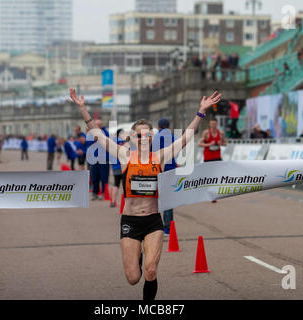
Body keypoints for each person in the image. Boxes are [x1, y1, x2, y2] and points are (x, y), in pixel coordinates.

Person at [69, 87, 222, 301]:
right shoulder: (124, 155)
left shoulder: (159, 157)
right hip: (130, 221)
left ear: (151, 137)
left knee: (151, 271)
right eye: (138, 134)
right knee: (133, 277)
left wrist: (201, 112)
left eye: (146, 135)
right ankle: (138, 257)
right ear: (133, 137)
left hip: (152, 221)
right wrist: (83, 109)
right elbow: (96, 134)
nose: (142, 138)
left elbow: (186, 138)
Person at [152, 118, 178, 235]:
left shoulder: (156, 136)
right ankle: (167, 228)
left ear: (159, 126)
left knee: (153, 198)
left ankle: (153, 225)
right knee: (168, 199)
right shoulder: (173, 136)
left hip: (157, 168)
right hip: (170, 168)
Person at [87, 120, 110, 200]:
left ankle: (104, 193)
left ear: (100, 125)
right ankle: (95, 193)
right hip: (94, 158)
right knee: (94, 176)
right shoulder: (91, 133)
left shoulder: (105, 132)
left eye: (97, 125)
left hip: (104, 159)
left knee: (104, 177)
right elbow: (89, 144)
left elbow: (106, 142)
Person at [110, 129, 126, 208]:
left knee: (116, 184)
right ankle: (125, 202)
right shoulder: (124, 141)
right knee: (125, 185)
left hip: (115, 165)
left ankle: (113, 201)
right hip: (124, 166)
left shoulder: (113, 141)